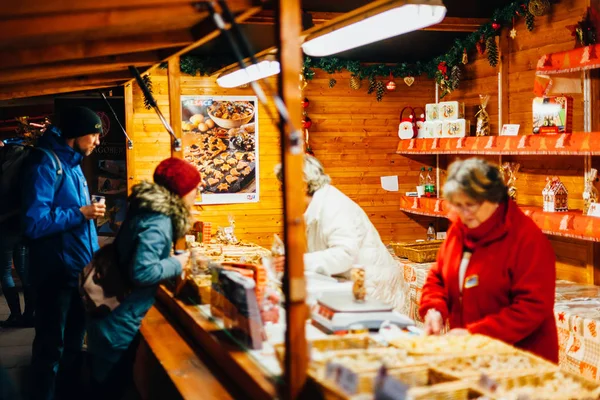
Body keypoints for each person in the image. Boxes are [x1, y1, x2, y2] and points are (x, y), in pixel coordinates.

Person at [419, 158, 558, 363]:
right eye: (458, 205)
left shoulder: (526, 238)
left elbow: (532, 307)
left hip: (520, 360)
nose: (464, 213)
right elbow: (438, 275)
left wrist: (476, 335)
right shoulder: (459, 229)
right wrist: (434, 309)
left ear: (493, 199)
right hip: (473, 355)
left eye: (470, 205)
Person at [86, 157, 197, 399]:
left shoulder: (148, 210)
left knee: (107, 382)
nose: (196, 195)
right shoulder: (159, 221)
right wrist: (176, 263)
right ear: (180, 192)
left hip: (112, 317)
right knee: (110, 386)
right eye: (194, 189)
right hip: (119, 321)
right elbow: (142, 271)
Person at [21, 106, 106, 400]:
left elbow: (77, 220)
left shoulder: (73, 164)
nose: (97, 140)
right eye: (94, 134)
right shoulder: (45, 164)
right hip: (54, 273)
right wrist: (80, 213)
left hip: (77, 272)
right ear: (76, 134)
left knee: (72, 344)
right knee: (50, 346)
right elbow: (34, 223)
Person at [274, 154, 404, 308]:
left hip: (372, 287)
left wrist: (297, 262)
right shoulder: (316, 205)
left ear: (301, 183)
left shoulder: (333, 205)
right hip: (354, 285)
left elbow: (344, 255)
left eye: (284, 186)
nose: (280, 191)